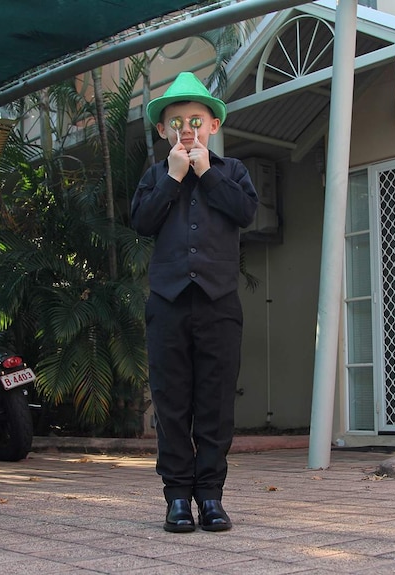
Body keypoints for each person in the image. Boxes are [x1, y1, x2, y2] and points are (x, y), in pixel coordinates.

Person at [131, 72, 258, 533]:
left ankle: (211, 496)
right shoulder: (153, 177)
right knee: (171, 404)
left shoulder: (233, 173)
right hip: (167, 305)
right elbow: (142, 222)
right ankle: (177, 499)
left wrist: (203, 171)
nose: (188, 129)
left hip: (219, 303)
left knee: (215, 403)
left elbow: (245, 212)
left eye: (197, 120)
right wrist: (174, 177)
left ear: (213, 126)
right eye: (178, 121)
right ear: (163, 130)